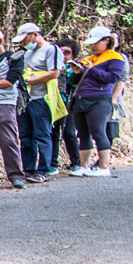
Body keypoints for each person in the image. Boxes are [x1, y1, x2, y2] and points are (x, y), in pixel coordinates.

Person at [68, 25, 128, 177]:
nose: (93, 46)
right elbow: (74, 81)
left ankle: (103, 167)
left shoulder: (115, 58)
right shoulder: (89, 58)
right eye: (91, 43)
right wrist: (76, 72)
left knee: (98, 131)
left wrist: (92, 69)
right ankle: (84, 166)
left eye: (96, 43)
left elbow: (112, 78)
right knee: (83, 133)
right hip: (81, 97)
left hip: (100, 98)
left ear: (107, 41)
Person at [13, 22, 62, 182]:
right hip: (25, 100)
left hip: (41, 99)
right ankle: (29, 170)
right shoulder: (25, 53)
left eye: (24, 39)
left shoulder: (51, 49)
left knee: (42, 135)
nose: (23, 43)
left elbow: (54, 73)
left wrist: (29, 81)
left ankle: (44, 170)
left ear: (34, 34)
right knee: (26, 136)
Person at [0, 27, 27, 189]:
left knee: (8, 140)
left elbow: (10, 81)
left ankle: (15, 175)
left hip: (4, 103)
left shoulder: (13, 58)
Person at [52, 37, 82, 173]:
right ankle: (52, 164)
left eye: (67, 52)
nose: (64, 55)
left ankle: (76, 162)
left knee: (69, 133)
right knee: (53, 133)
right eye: (61, 52)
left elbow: (76, 82)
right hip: (54, 102)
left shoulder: (75, 68)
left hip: (70, 103)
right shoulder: (52, 66)